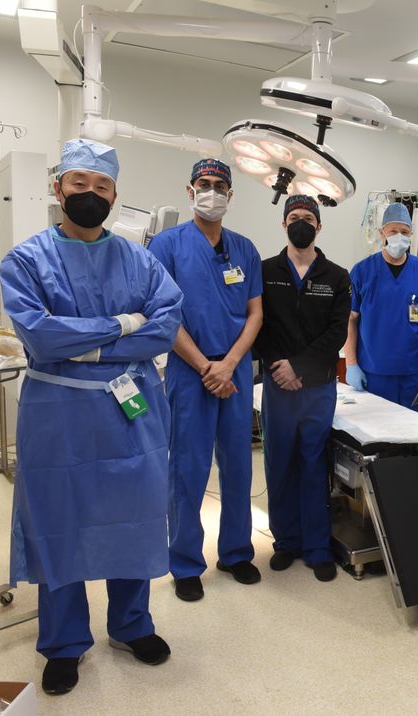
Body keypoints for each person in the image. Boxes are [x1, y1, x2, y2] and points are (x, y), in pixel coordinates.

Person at [0, 139, 183, 695]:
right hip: (58, 415)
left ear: (115, 196)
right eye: (80, 183)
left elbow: (165, 326)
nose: (90, 194)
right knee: (60, 523)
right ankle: (63, 644)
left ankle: (131, 624)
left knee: (135, 515)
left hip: (132, 410)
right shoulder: (26, 260)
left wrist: (86, 344)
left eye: (102, 186)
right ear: (58, 188)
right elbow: (39, 334)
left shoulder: (140, 259)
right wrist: (122, 327)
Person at [147, 158, 263, 602]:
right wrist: (204, 367)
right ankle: (185, 562)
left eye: (220, 186)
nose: (211, 191)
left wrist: (230, 364)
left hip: (233, 372)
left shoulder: (244, 249)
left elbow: (255, 313)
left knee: (238, 465)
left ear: (231, 196)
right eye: (204, 184)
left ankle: (235, 553)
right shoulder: (167, 246)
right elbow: (165, 316)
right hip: (190, 371)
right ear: (190, 190)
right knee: (188, 469)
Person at [254, 195, 351, 582]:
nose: (301, 223)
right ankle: (286, 542)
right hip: (278, 386)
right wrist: (281, 367)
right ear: (283, 224)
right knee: (279, 463)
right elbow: (257, 324)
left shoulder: (336, 276)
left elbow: (336, 332)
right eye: (293, 217)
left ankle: (316, 546)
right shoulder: (265, 271)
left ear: (319, 226)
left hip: (318, 386)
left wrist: (300, 367)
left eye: (308, 218)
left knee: (314, 464)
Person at [343, 202, 418, 415]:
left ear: (412, 233)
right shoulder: (363, 272)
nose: (399, 236)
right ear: (382, 233)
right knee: (379, 437)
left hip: (415, 374)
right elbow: (350, 319)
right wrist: (351, 364)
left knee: (416, 437)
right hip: (374, 371)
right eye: (393, 231)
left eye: (404, 232)